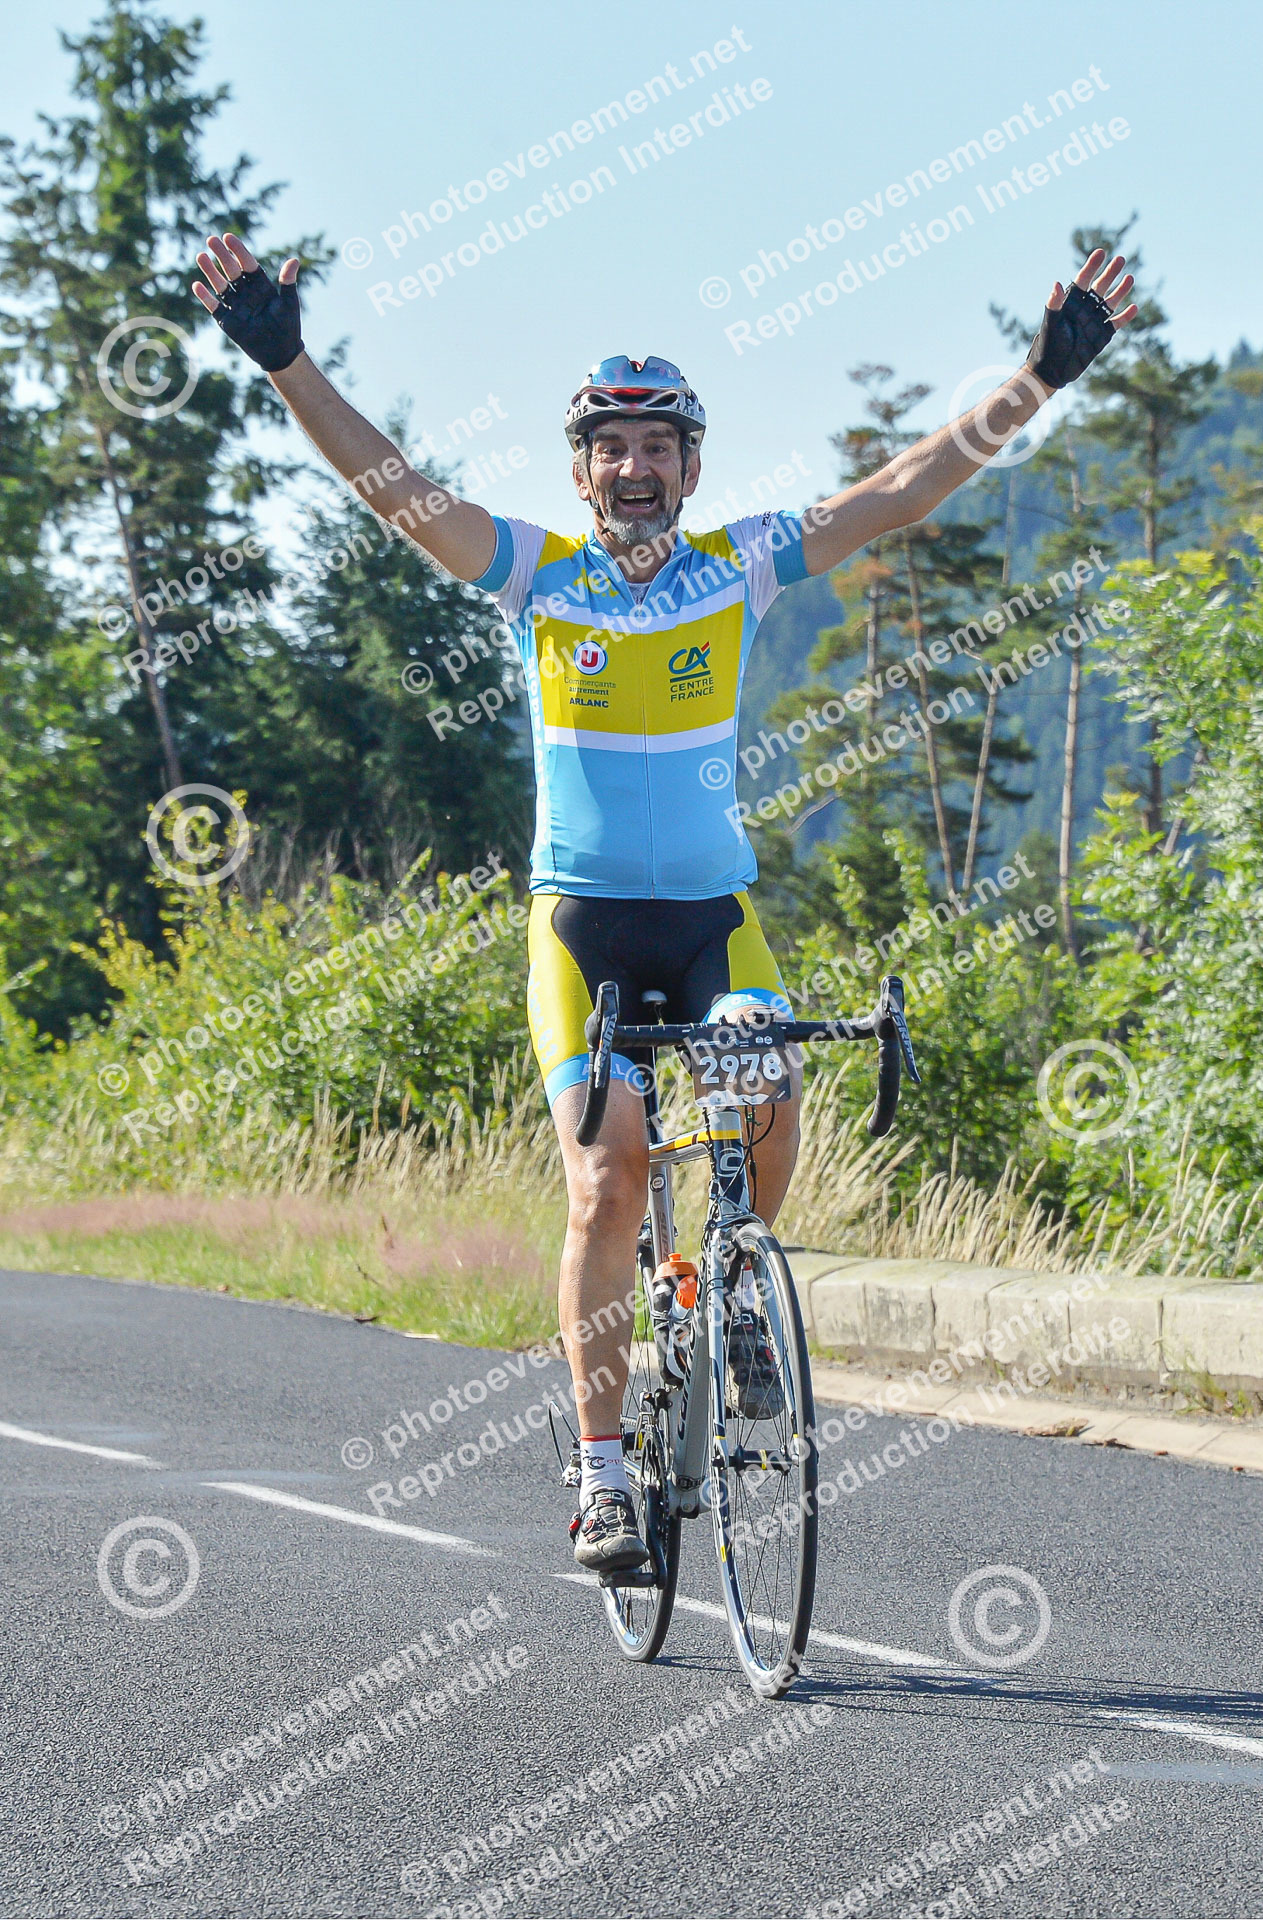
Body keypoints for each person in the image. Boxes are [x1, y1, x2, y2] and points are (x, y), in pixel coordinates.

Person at [192, 231, 1135, 1573]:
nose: (635, 468)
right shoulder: (536, 573)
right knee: (610, 1171)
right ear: (581, 471)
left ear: (692, 468)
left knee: (770, 1088)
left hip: (710, 920)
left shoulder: (739, 566)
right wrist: (288, 361)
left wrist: (1038, 377)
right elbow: (395, 491)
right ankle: (599, 1477)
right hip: (579, 928)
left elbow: (902, 491)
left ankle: (737, 1288)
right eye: (611, 449)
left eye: (658, 448)